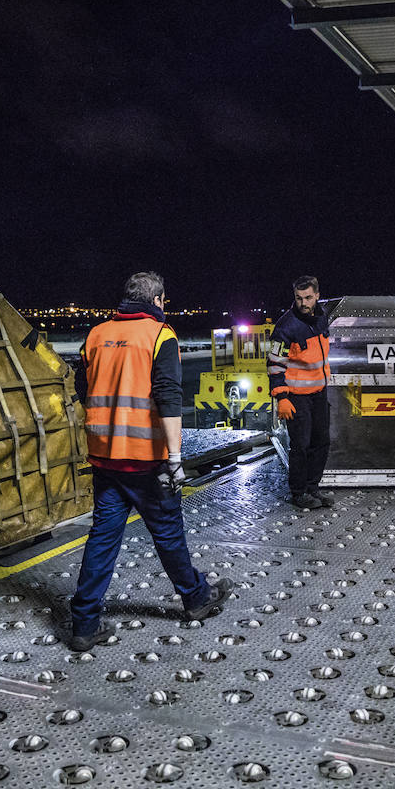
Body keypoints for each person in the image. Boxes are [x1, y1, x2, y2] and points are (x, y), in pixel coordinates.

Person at [67, 271, 231, 651]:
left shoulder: (95, 335)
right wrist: (175, 459)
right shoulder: (160, 336)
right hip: (146, 460)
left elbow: (82, 388)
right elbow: (169, 397)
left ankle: (84, 624)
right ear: (157, 300)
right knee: (168, 534)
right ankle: (195, 598)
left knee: (102, 540)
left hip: (106, 458)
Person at [267, 275, 333, 510]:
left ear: (316, 295)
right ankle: (299, 493)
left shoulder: (322, 316)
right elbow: (274, 365)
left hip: (318, 393)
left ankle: (313, 488)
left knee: (321, 442)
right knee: (301, 445)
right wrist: (282, 398)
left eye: (307, 297)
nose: (303, 303)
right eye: (298, 298)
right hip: (296, 396)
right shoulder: (286, 327)